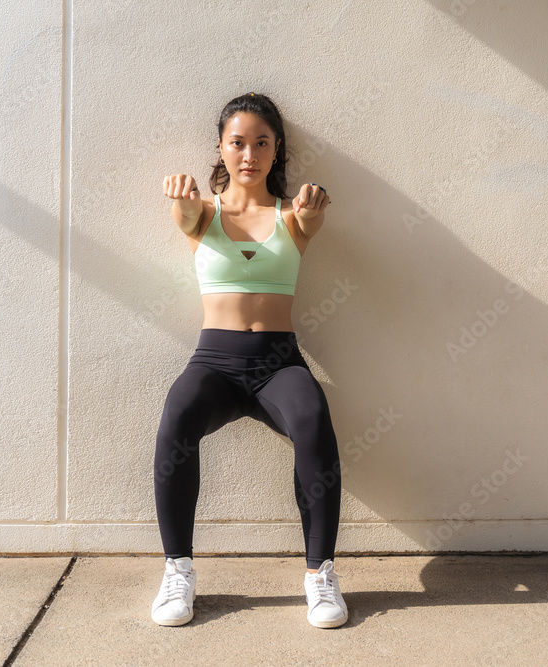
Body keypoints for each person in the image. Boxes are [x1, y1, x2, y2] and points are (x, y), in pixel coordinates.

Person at [150, 92, 347, 629]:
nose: (249, 153)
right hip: (214, 360)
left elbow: (309, 223)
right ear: (221, 147)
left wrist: (311, 211)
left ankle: (320, 575)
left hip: (279, 362)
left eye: (262, 142)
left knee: (312, 420)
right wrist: (180, 195)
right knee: (176, 419)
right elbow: (186, 212)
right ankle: (178, 571)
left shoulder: (294, 215)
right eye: (238, 142)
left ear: (276, 149)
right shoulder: (201, 213)